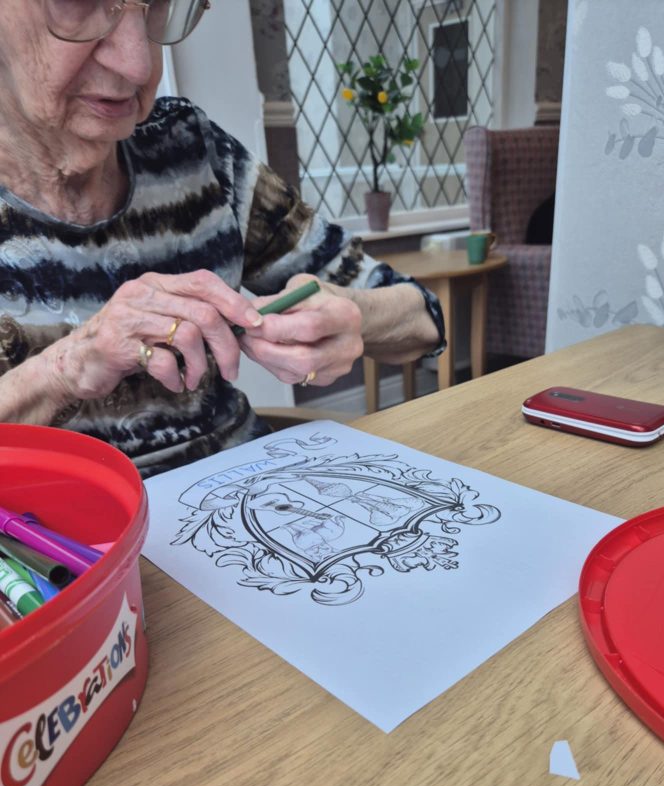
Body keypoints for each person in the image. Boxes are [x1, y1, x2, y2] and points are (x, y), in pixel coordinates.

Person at [0, 0, 445, 476]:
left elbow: (423, 316)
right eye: (81, 4)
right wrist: (65, 369)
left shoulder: (190, 149)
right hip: (62, 521)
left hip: (253, 491)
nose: (139, 64)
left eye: (158, 7)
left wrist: (349, 315)